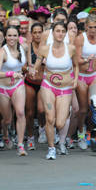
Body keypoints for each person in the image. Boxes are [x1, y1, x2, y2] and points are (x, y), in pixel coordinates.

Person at [34, 21, 78, 160]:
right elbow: (36, 65)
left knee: (60, 123)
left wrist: (75, 79)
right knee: (50, 118)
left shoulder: (71, 48)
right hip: (48, 86)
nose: (60, 33)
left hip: (65, 88)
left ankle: (61, 137)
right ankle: (51, 148)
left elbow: (76, 65)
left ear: (65, 34)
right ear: (53, 33)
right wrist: (32, 70)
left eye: (62, 31)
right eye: (57, 31)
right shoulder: (45, 49)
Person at [0, 25, 29, 156]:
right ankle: (5, 133)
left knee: (20, 112)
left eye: (14, 35)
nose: (12, 38)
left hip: (18, 85)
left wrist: (30, 70)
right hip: (2, 88)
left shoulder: (24, 47)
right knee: (7, 119)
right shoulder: (3, 51)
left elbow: (25, 65)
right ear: (5, 37)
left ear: (18, 37)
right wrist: (10, 74)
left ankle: (20, 145)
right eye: (9, 35)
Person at [75, 15, 96, 151]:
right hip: (82, 76)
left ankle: (93, 135)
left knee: (95, 103)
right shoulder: (80, 39)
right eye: (90, 27)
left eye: (95, 27)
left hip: (95, 75)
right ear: (86, 27)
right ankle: (81, 133)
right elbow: (76, 60)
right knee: (83, 110)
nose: (93, 30)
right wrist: (87, 60)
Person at [24, 22, 44, 150]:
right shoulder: (27, 47)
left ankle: (42, 129)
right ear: (31, 34)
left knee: (42, 110)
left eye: (39, 32)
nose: (37, 35)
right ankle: (30, 136)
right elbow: (21, 64)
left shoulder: (48, 47)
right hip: (30, 82)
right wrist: (27, 68)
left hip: (43, 82)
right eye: (35, 32)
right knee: (30, 112)